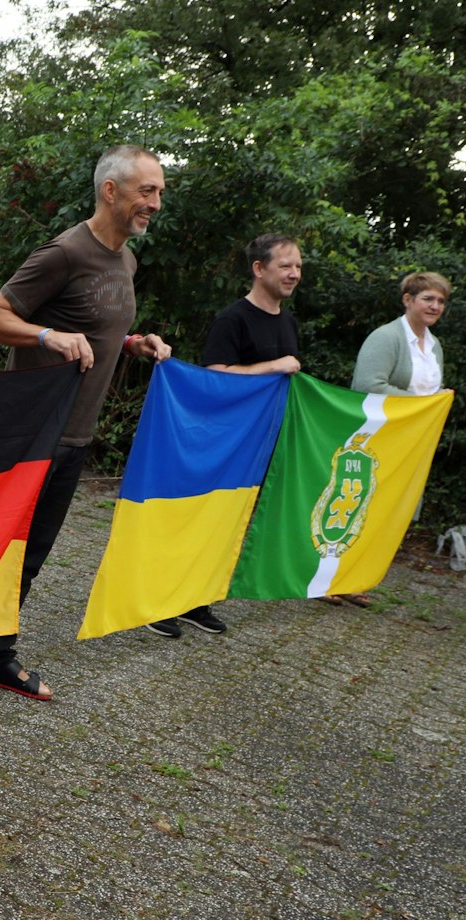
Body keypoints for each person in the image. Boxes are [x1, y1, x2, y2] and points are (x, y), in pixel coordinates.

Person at [0, 145, 173, 719]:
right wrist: (45, 336)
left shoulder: (125, 260)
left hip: (74, 436)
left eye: (158, 191)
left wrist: (135, 344)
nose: (155, 203)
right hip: (27, 435)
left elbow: (98, 330)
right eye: (146, 191)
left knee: (30, 558)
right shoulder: (64, 253)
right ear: (111, 190)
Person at [146, 232, 305, 637]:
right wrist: (272, 366)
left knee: (230, 523)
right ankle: (157, 599)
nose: (294, 273)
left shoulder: (288, 321)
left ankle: (196, 600)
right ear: (258, 269)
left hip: (259, 442)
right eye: (285, 265)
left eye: (298, 266)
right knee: (197, 518)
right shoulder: (232, 319)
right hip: (221, 441)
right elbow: (215, 376)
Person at [353, 271, 449, 396]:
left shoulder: (434, 344)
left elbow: (431, 390)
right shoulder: (385, 337)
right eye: (428, 299)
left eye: (441, 301)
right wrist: (422, 403)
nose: (435, 306)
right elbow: (368, 386)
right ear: (407, 300)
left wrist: (441, 395)